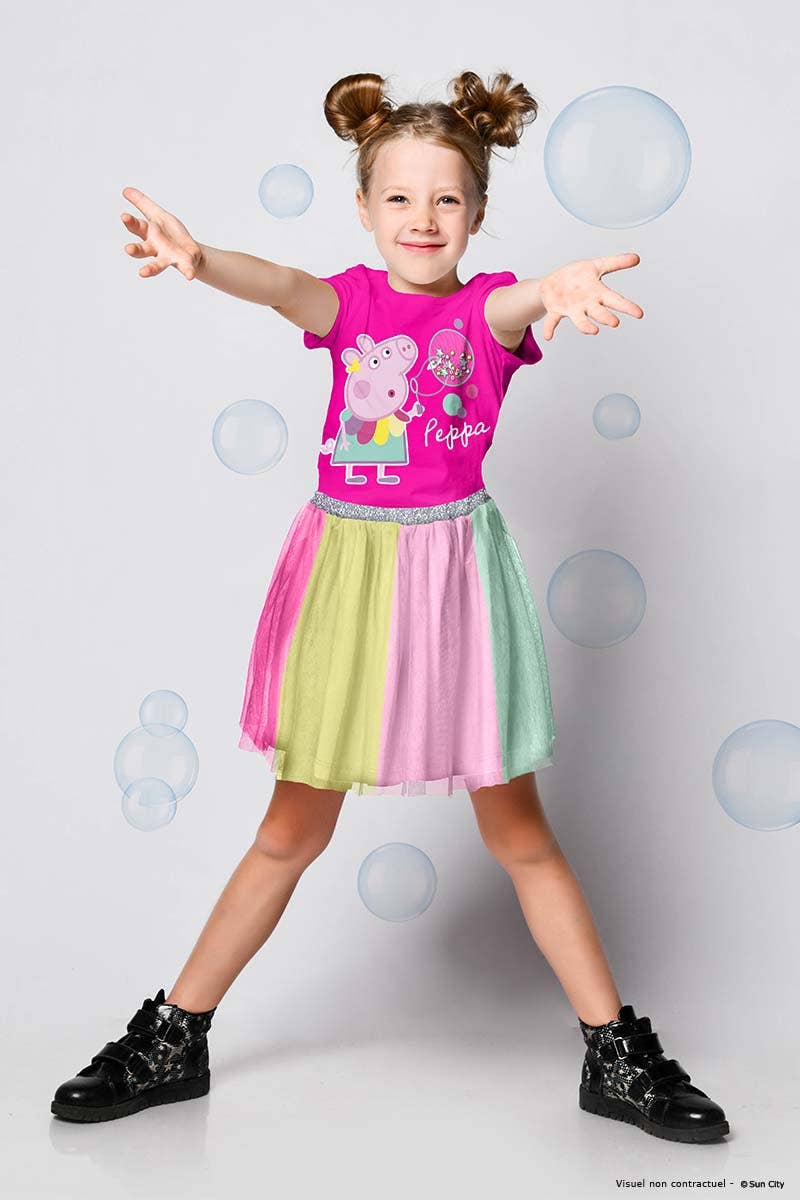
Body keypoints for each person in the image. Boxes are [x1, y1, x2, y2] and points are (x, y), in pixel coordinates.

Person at [51, 69, 729, 1142]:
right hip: (346, 579)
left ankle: (616, 1056)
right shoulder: (351, 305)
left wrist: (553, 289)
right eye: (399, 197)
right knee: (291, 828)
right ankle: (173, 1038)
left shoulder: (486, 308)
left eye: (447, 198)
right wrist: (202, 260)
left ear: (478, 212)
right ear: (364, 209)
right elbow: (282, 284)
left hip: (453, 582)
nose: (423, 218)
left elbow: (514, 304)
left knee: (518, 831)